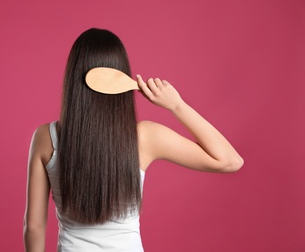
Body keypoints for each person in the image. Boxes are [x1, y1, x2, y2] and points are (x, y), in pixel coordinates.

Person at [23, 28, 243, 252]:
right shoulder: (145, 138)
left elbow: (34, 227)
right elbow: (229, 160)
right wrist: (177, 106)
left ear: (72, 78)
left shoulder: (45, 138)